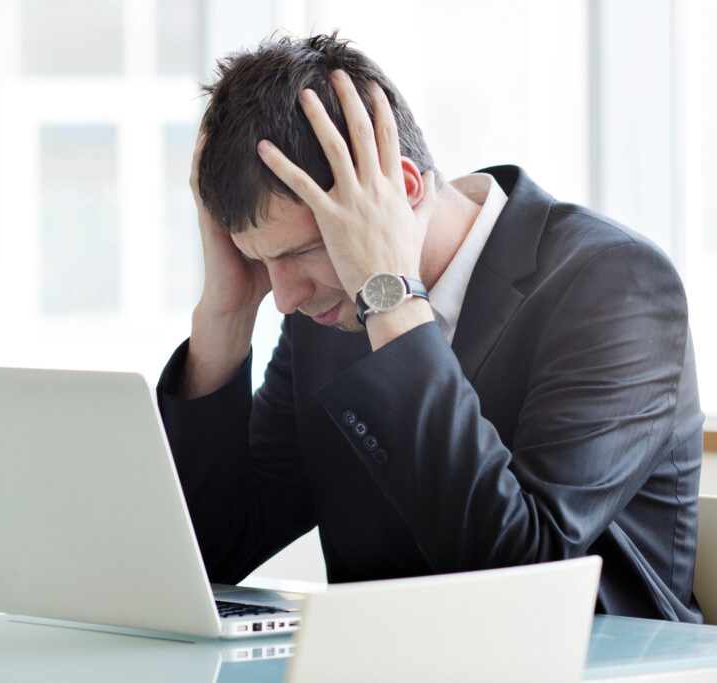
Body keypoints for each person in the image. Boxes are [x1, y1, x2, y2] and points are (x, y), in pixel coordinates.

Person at [155, 33, 705, 622]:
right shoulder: (327, 310)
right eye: (263, 261)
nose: (285, 298)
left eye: (302, 251)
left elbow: (517, 572)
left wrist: (388, 298)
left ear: (405, 191)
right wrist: (225, 318)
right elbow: (208, 554)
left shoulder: (615, 283)